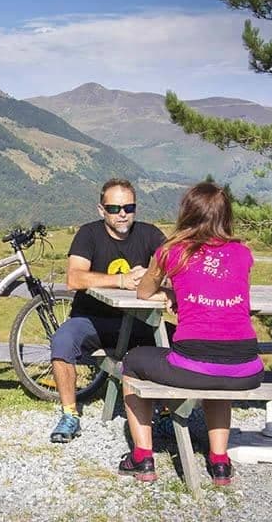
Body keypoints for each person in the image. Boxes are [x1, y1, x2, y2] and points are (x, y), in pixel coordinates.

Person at [118, 181, 264, 486]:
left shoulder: (172, 251)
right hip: (247, 368)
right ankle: (220, 463)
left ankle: (142, 457)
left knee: (131, 362)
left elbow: (144, 292)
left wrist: (172, 291)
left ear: (188, 213)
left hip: (193, 364)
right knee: (219, 374)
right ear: (226, 216)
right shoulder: (242, 253)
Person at [49, 178, 166, 443]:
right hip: (91, 320)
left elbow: (176, 267)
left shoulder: (149, 233)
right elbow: (74, 278)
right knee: (62, 342)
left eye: (128, 207)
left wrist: (152, 277)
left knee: (182, 340)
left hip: (137, 321)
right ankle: (69, 414)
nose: (122, 213)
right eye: (114, 208)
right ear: (101, 210)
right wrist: (121, 280)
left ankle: (170, 412)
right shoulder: (88, 234)